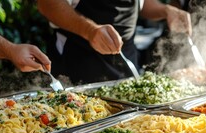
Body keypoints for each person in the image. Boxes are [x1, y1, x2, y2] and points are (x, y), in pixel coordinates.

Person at [37, 0, 192, 84]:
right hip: (80, 58)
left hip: (128, 58)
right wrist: (90, 31)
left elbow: (142, 4)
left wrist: (165, 11)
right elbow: (48, 4)